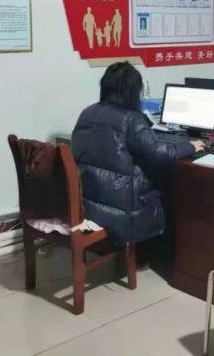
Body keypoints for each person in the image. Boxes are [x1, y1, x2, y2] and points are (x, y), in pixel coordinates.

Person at [71, 62, 205, 247]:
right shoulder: (131, 119)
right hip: (125, 210)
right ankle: (162, 251)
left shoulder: (88, 112)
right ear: (133, 91)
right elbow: (159, 153)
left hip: (91, 204)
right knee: (171, 184)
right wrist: (190, 146)